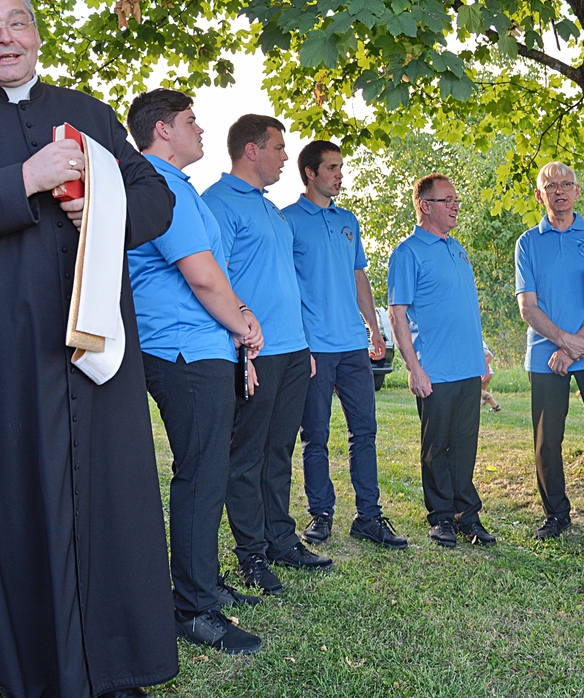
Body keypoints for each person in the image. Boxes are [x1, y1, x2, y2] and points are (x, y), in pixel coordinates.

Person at [0, 0, 177, 697]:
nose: (6, 39)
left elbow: (156, 198)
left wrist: (104, 206)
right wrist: (25, 178)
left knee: (111, 495)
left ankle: (118, 664)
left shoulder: (88, 112)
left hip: (93, 343)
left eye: (17, 22)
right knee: (15, 498)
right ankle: (32, 658)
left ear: (37, 32)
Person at [126, 90, 265, 656]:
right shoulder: (159, 186)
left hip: (200, 345)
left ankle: (202, 583)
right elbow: (201, 276)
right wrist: (244, 327)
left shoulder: (173, 186)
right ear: (162, 130)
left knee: (209, 471)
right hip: (182, 349)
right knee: (201, 475)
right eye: (190, 121)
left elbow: (216, 273)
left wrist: (241, 317)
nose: (201, 129)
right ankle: (194, 609)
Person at [202, 116, 336, 582]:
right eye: (278, 148)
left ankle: (280, 539)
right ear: (252, 150)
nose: (285, 157)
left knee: (279, 451)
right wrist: (240, 345)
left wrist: (305, 346)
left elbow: (282, 281)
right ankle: (252, 554)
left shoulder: (271, 209)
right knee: (248, 457)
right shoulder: (217, 203)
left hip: (294, 350)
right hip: (256, 352)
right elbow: (213, 279)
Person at [282, 140, 407, 549]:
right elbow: (283, 286)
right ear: (310, 172)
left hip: (353, 344)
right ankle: (321, 513)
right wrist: (299, 343)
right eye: (332, 168)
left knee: (364, 432)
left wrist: (374, 329)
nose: (340, 175)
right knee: (315, 435)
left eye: (341, 168)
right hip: (313, 346)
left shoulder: (348, 220)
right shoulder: (287, 220)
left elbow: (358, 277)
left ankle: (369, 516)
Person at [514, 162, 584, 544]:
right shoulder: (527, 243)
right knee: (547, 440)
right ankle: (556, 514)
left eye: (566, 184)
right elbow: (528, 307)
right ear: (540, 195)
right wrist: (564, 341)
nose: (559, 191)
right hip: (545, 354)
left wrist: (574, 347)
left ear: (578, 191)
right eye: (551, 186)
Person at [388, 174, 494, 548]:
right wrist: (414, 368)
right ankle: (441, 518)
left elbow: (464, 308)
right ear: (425, 205)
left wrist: (481, 355)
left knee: (464, 447)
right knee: (437, 449)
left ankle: (468, 516)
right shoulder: (407, 253)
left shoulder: (458, 249)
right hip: (434, 369)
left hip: (467, 367)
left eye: (456, 200)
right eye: (447, 200)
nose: (455, 206)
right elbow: (397, 314)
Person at [480, 340, 500, 412]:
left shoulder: (478, 342)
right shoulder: (481, 341)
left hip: (484, 372)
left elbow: (490, 356)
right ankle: (493, 407)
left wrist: (482, 369)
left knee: (476, 390)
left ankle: (495, 406)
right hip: (488, 372)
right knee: (482, 391)